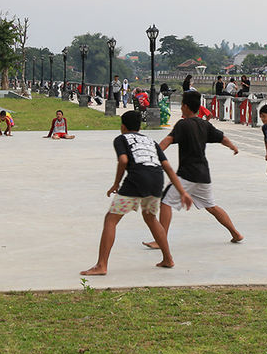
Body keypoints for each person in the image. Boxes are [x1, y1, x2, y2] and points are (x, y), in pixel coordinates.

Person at [80, 111, 193, 276]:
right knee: (150, 218)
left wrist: (116, 184)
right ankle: (168, 259)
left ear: (122, 127)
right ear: (140, 127)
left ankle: (101, 265)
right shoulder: (150, 141)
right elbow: (167, 166)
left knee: (111, 219)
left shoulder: (121, 139)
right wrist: (183, 192)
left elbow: (124, 160)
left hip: (136, 179)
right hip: (156, 180)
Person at [143, 92, 243, 248]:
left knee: (165, 202)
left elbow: (167, 140)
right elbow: (221, 137)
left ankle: (160, 240)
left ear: (185, 107)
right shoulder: (205, 124)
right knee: (212, 206)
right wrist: (233, 147)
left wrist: (154, 157)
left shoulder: (183, 124)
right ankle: (236, 233)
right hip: (203, 175)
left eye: (182, 105)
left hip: (187, 175)